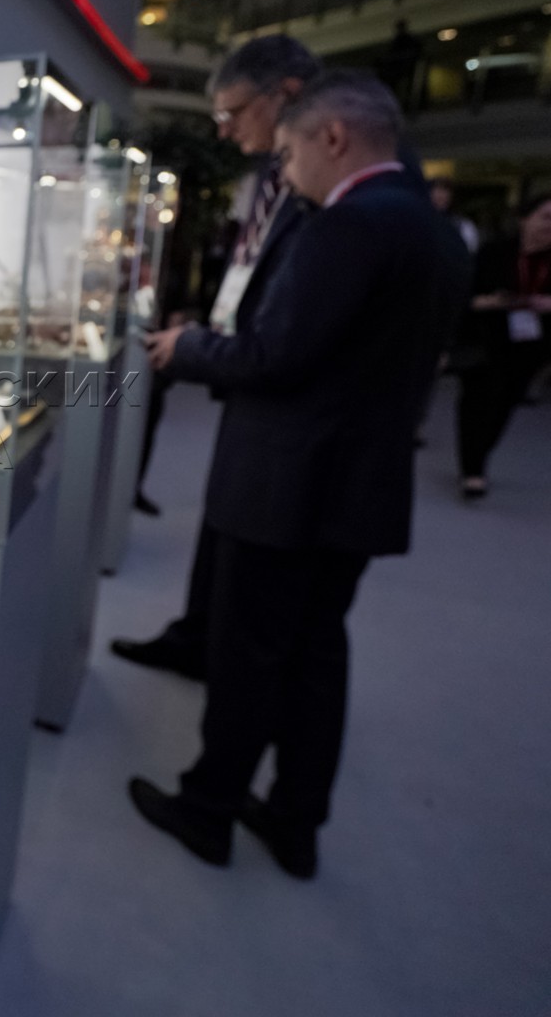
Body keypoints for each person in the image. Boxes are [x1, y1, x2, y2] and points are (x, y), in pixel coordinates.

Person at [133, 72, 469, 879]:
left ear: (333, 138)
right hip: (360, 486)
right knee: (317, 653)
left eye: (287, 153)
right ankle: (295, 820)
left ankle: (208, 808)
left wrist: (189, 348)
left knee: (248, 655)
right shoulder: (433, 231)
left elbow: (273, 356)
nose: (285, 172)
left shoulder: (345, 227)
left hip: (287, 487)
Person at [110, 34, 321, 681]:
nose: (225, 131)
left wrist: (203, 346)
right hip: (243, 379)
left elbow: (293, 327)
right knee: (222, 529)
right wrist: (212, 327)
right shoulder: (273, 177)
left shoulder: (326, 188)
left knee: (260, 581)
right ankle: (198, 637)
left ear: (285, 95)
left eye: (233, 113)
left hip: (282, 410)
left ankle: (217, 657)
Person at [455, 192, 551, 497]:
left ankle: (480, 453)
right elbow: (465, 294)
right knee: (477, 401)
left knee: (504, 405)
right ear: (524, 219)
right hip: (487, 339)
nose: (549, 226)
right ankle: (473, 469)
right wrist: (490, 302)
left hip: (529, 345)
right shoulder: (495, 252)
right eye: (545, 217)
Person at [431, 178, 479, 254]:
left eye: (444, 190)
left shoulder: (464, 226)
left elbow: (470, 249)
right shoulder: (422, 223)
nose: (439, 195)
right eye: (436, 190)